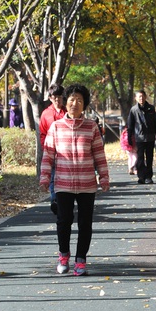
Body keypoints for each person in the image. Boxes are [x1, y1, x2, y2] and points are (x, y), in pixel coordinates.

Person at [39, 82, 109, 276]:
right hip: (63, 183)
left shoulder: (91, 127)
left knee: (85, 223)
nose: (75, 103)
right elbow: (48, 154)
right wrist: (45, 177)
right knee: (64, 220)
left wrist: (104, 177)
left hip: (87, 183)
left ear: (84, 104)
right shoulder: (56, 127)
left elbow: (99, 155)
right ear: (65, 103)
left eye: (79, 100)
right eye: (71, 100)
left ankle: (81, 260)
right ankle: (63, 255)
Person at [39, 83, 66, 214]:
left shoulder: (68, 113)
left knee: (64, 178)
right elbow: (42, 133)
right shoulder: (46, 114)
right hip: (52, 152)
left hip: (67, 153)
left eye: (60, 97)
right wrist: (47, 147)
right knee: (53, 177)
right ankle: (55, 200)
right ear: (50, 98)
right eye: (55, 97)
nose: (57, 100)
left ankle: (64, 200)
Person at [126, 89, 156, 184]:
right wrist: (129, 137)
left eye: (143, 96)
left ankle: (149, 176)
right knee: (140, 158)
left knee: (149, 158)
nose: (141, 98)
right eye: (139, 96)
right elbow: (130, 124)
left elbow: (155, 123)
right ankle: (141, 176)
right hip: (139, 137)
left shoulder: (151, 108)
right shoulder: (133, 110)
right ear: (136, 98)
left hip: (150, 137)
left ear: (145, 97)